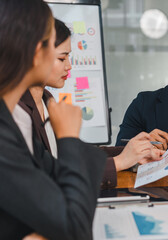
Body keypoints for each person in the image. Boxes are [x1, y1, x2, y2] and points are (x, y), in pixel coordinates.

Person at [18, 19, 164, 189]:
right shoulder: (17, 111)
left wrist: (134, 151)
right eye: (62, 58)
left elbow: (76, 154)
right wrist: (120, 161)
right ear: (36, 55)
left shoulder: (47, 99)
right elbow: (49, 174)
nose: (69, 66)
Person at [1, 0, 104, 239]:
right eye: (54, 46)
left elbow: (56, 178)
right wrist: (68, 137)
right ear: (37, 51)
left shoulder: (14, 120)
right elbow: (75, 228)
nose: (68, 64)